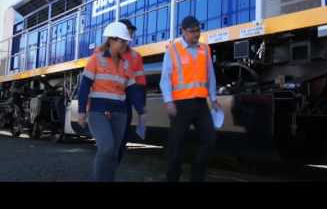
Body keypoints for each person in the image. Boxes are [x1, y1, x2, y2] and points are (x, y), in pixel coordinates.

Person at [78, 21, 146, 182]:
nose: (125, 44)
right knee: (107, 148)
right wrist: (81, 111)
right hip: (98, 111)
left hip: (119, 112)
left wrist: (142, 110)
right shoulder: (96, 60)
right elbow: (84, 86)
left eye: (126, 41)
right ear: (111, 40)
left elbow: (132, 89)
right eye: (122, 41)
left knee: (114, 152)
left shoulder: (126, 63)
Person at [160, 16, 222, 182]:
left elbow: (210, 75)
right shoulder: (173, 49)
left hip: (201, 104)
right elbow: (165, 78)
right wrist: (168, 101)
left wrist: (213, 98)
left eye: (198, 30)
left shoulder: (205, 49)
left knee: (210, 140)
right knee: (176, 147)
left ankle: (196, 175)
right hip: (180, 105)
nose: (197, 34)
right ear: (183, 31)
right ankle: (172, 178)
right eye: (193, 31)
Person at [117, 19, 147, 163]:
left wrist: (141, 107)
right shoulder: (102, 54)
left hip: (125, 105)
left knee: (121, 139)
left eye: (131, 31)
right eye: (127, 30)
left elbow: (139, 83)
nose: (130, 34)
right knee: (108, 144)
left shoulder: (136, 56)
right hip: (106, 104)